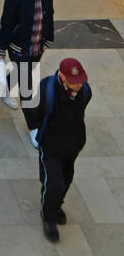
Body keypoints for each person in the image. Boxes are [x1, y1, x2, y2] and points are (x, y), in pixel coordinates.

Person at [27, 58, 91, 242]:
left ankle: (54, 204)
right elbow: (35, 114)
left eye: (80, 81)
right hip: (51, 146)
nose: (78, 85)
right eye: (74, 81)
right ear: (62, 76)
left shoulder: (85, 92)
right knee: (53, 183)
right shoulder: (47, 90)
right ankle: (48, 217)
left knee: (66, 180)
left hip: (73, 145)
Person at [0, 0, 54, 123]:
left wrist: (48, 39)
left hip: (38, 47)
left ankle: (3, 88)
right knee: (26, 87)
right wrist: (1, 50)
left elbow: (49, 16)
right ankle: (33, 126)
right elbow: (6, 25)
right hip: (19, 49)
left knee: (22, 72)